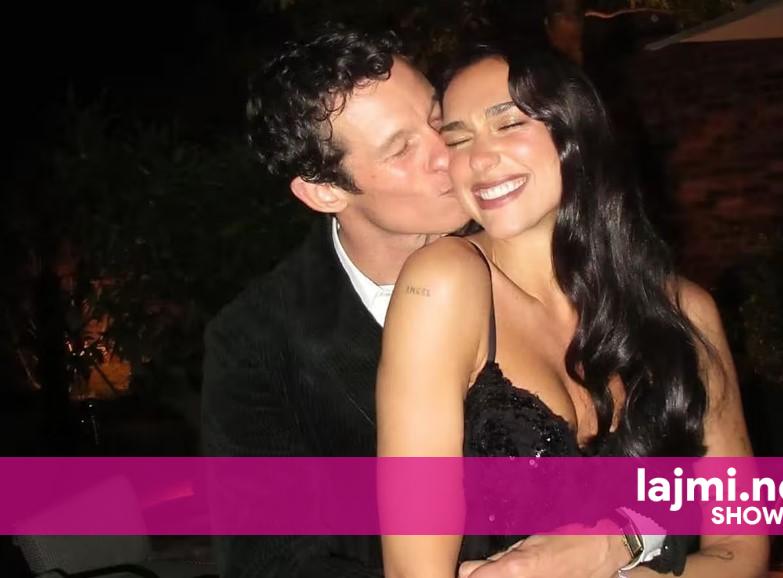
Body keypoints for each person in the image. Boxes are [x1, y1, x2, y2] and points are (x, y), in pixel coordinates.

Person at [202, 25, 687, 578]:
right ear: (324, 191)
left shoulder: (551, 250)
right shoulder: (255, 342)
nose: (452, 154)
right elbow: (269, 562)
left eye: (437, 120)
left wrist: (629, 539)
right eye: (401, 148)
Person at [376, 43, 770, 578]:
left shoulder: (686, 312)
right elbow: (413, 570)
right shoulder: (444, 283)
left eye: (508, 124)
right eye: (459, 139)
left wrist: (615, 546)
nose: (478, 159)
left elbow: (742, 548)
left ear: (576, 131)